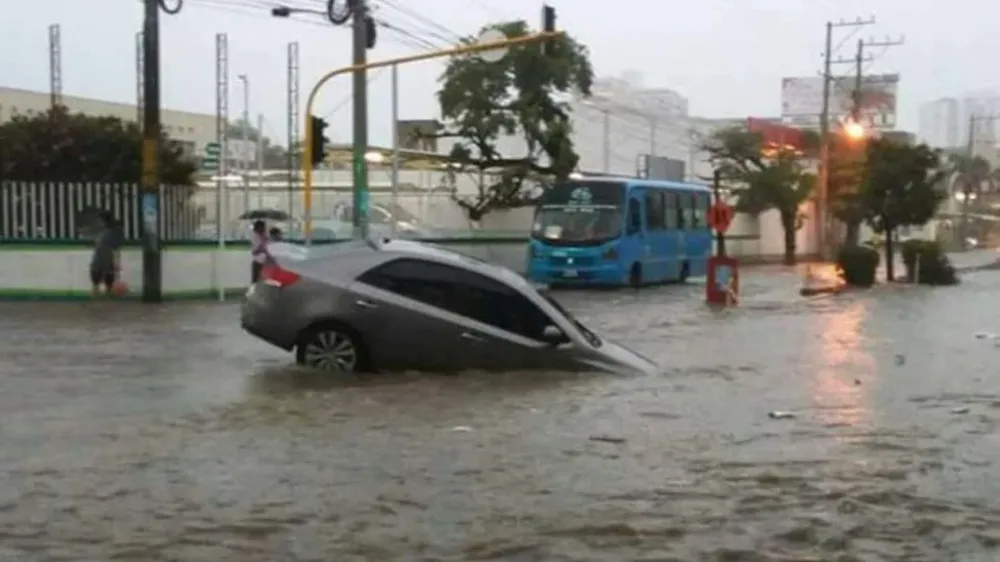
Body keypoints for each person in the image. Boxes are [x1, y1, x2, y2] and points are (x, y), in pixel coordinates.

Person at [90, 222, 121, 296]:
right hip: (103, 256)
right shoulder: (105, 235)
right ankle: (105, 290)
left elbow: (115, 249)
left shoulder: (104, 235)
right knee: (102, 272)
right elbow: (116, 249)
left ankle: (100, 290)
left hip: (103, 256)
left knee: (100, 272)